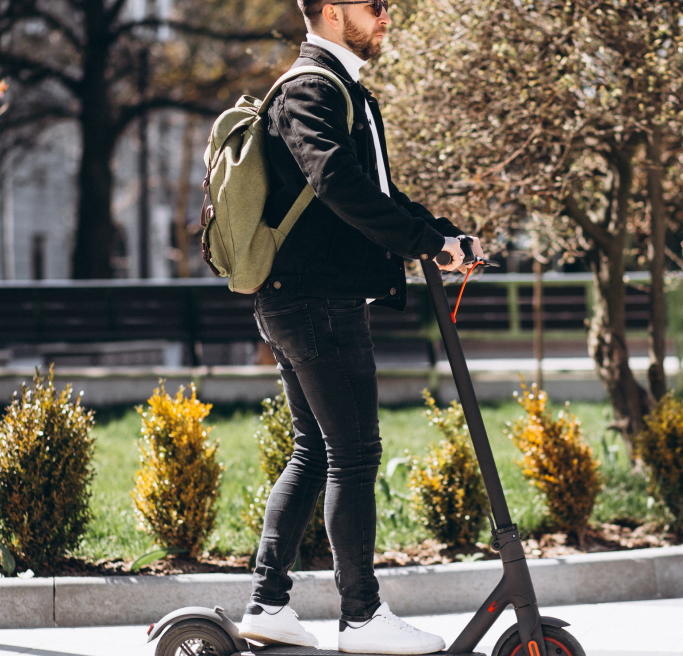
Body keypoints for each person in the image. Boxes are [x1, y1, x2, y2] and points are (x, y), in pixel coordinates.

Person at [236, 0, 483, 653]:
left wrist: (440, 236)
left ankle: (268, 606)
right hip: (314, 299)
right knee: (353, 452)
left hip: (306, 296)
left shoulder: (344, 90)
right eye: (376, 6)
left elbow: (378, 191)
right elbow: (337, 184)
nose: (387, 16)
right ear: (335, 9)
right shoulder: (309, 89)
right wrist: (423, 245)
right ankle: (362, 618)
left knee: (314, 451)